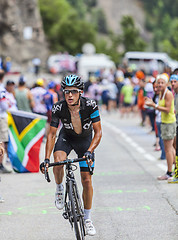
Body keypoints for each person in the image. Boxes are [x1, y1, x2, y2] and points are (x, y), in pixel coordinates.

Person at [41, 74, 102, 236]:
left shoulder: (90, 105)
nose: (69, 95)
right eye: (66, 91)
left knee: (87, 180)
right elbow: (52, 135)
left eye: (73, 91)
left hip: (85, 142)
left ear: (80, 92)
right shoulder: (58, 108)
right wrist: (46, 159)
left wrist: (90, 151)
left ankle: (87, 219)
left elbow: (98, 132)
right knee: (58, 161)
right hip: (66, 138)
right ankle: (60, 188)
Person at [145, 73, 176, 180]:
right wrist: (153, 104)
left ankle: (169, 172)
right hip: (164, 122)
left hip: (169, 123)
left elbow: (168, 110)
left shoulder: (168, 94)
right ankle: (173, 170)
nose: (160, 85)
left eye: (162, 83)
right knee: (170, 148)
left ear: (166, 84)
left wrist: (154, 105)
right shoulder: (161, 93)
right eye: (159, 83)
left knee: (168, 149)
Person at [0, 69, 12, 173]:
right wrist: (8, 105)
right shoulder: (1, 89)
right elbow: (4, 105)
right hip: (1, 116)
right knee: (1, 142)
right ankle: (1, 165)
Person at [168, 74, 178, 183]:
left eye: (175, 81)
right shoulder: (175, 94)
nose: (173, 84)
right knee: (175, 147)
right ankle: (176, 173)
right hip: (176, 123)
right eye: (172, 82)